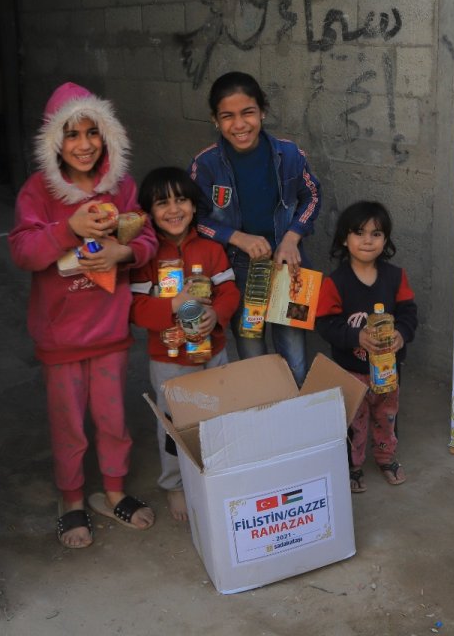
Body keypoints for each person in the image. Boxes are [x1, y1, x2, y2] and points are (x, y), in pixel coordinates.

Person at [8, 81, 158, 548]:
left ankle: (113, 491)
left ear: (107, 134)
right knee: (69, 425)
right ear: (54, 141)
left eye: (93, 132)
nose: (84, 144)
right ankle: (71, 498)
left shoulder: (122, 187)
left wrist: (123, 253)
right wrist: (67, 229)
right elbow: (24, 252)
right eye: (71, 134)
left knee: (113, 419)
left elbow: (146, 237)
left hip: (109, 332)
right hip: (61, 338)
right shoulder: (38, 191)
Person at [189, 71, 321, 385]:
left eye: (247, 112)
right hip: (239, 271)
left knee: (295, 353)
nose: (240, 124)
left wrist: (292, 237)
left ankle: (296, 410)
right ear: (215, 120)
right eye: (228, 116)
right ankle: (264, 410)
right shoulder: (205, 165)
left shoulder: (289, 155)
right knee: (252, 354)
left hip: (290, 268)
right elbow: (195, 217)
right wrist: (236, 237)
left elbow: (313, 196)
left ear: (263, 111)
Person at [129, 167, 241, 522]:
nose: (174, 209)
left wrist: (217, 314)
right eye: (162, 203)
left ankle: (216, 471)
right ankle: (174, 484)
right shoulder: (145, 257)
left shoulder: (211, 250)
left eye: (181, 200)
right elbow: (135, 308)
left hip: (214, 351)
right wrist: (174, 304)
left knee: (217, 414)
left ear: (194, 206)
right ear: (148, 212)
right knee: (173, 424)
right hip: (169, 359)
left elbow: (229, 291)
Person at [315, 201, 418, 493]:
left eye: (376, 233)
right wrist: (355, 337)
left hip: (387, 370)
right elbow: (325, 324)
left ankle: (386, 458)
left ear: (385, 240)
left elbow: (409, 313)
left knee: (387, 416)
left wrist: (401, 333)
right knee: (354, 421)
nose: (368, 240)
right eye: (359, 233)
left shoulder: (395, 276)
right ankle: (353, 466)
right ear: (344, 239)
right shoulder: (335, 283)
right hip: (351, 370)